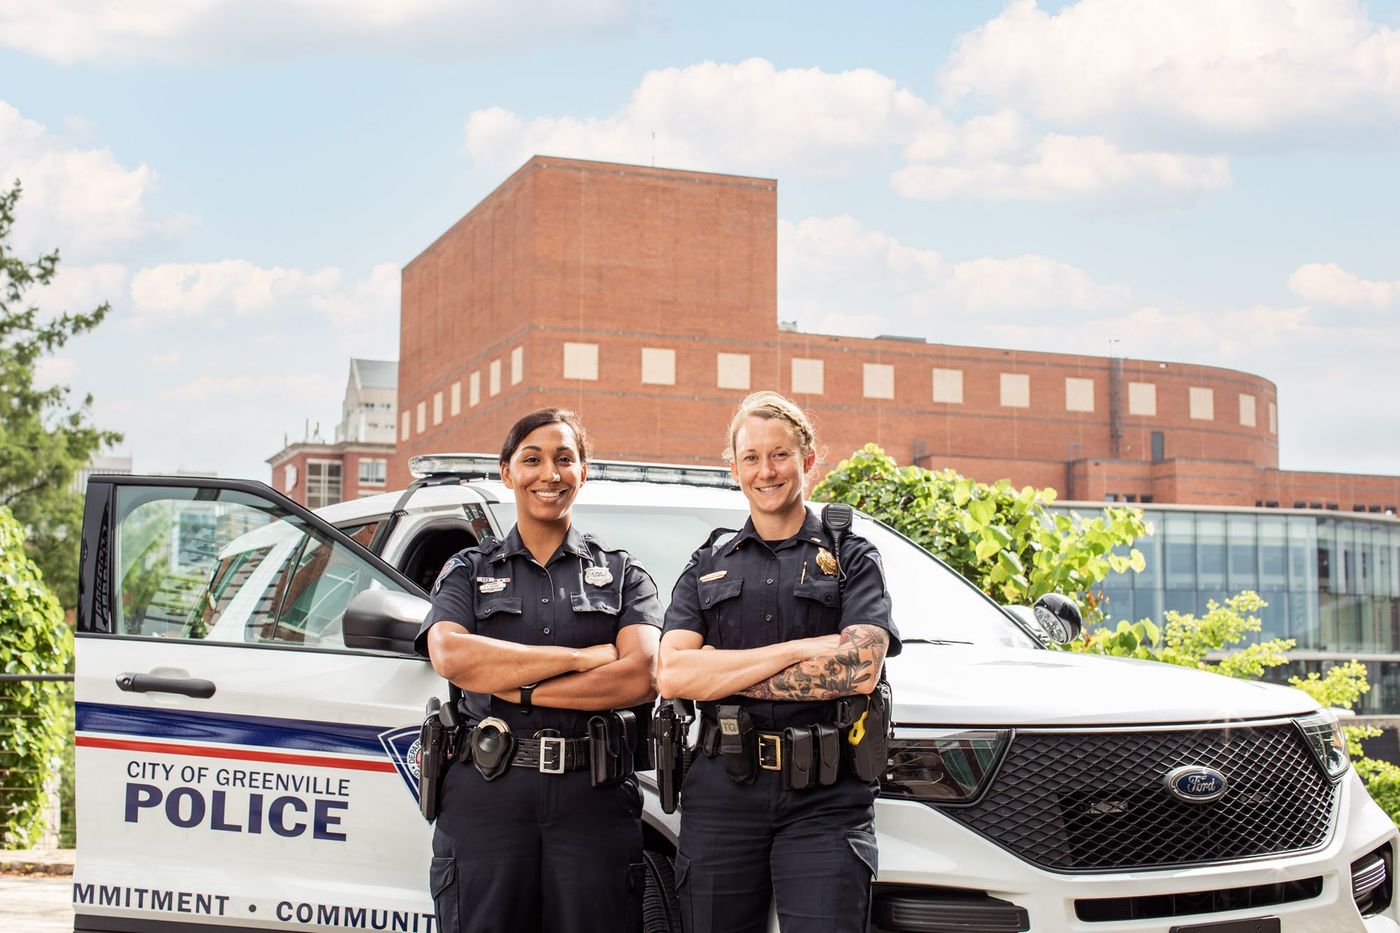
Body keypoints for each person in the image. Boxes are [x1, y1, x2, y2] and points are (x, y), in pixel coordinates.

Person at [657, 391, 900, 933]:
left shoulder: (852, 558)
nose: (766, 471)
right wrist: (798, 649)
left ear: (808, 460)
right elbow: (673, 673)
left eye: (780, 454)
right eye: (751, 457)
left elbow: (859, 668)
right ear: (734, 468)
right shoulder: (707, 563)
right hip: (723, 794)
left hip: (826, 798)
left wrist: (722, 673)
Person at [415, 408, 662, 933]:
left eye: (564, 459)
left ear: (583, 471)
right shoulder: (468, 570)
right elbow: (454, 658)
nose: (549, 474)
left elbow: (640, 674)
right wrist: (579, 659)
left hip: (592, 798)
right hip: (488, 795)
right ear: (507, 472)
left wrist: (513, 686)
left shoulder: (622, 575)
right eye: (532, 459)